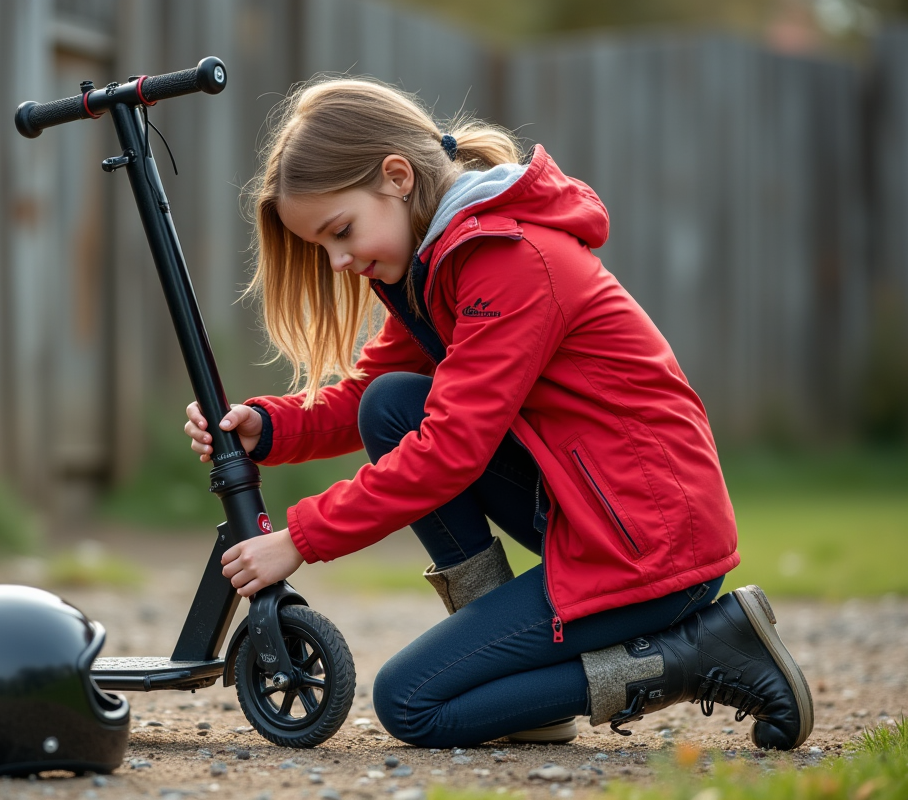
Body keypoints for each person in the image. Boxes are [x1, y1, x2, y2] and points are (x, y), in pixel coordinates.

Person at [183, 77, 813, 750]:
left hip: (649, 544)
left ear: (397, 177)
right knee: (390, 403)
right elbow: (375, 396)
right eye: (322, 247)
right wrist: (267, 426)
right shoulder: (437, 265)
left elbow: (451, 448)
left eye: (341, 231)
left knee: (412, 704)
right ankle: (520, 683)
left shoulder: (508, 261)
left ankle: (703, 653)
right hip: (590, 513)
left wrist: (300, 537)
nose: (338, 262)